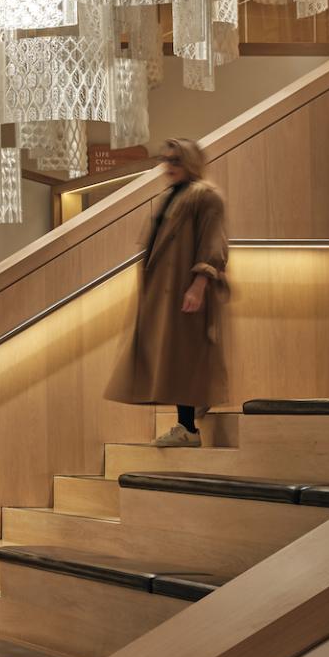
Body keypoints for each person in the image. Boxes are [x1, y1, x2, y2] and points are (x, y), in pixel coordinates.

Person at [105, 137, 230, 447]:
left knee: (184, 357)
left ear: (189, 161)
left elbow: (213, 243)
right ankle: (193, 410)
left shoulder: (205, 196)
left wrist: (198, 285)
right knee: (175, 358)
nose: (169, 166)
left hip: (185, 290)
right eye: (165, 160)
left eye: (175, 160)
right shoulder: (175, 195)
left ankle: (187, 428)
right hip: (167, 293)